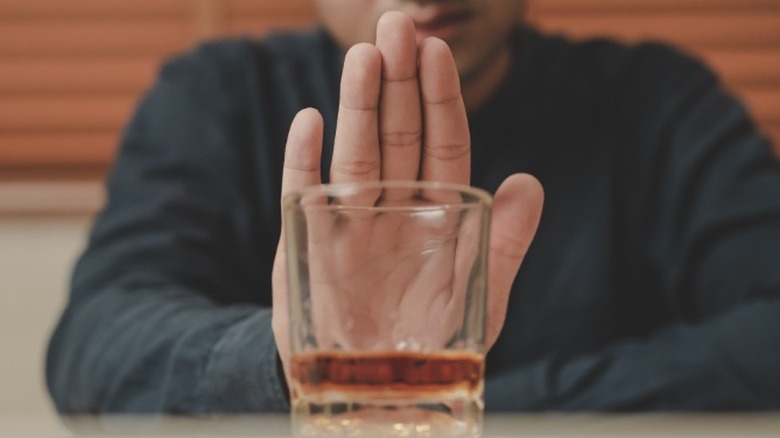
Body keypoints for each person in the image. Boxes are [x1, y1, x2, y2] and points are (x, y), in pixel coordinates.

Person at [47, 0, 780, 413]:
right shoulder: (214, 96)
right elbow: (96, 341)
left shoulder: (660, 103)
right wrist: (297, 365)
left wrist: (432, 401)